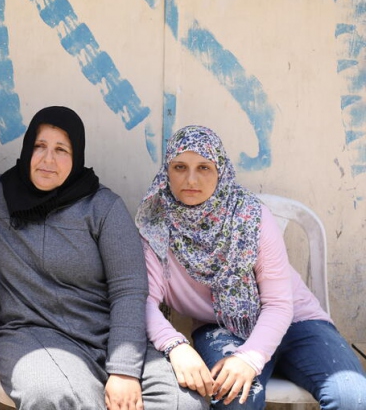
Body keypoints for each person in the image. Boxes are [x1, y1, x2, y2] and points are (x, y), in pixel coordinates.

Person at [0, 107, 207, 410]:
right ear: (28, 149)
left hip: (108, 335)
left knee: (182, 400)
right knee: (61, 397)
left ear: (77, 154)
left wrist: (123, 370)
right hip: (32, 334)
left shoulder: (103, 208)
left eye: (61, 150)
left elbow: (129, 289)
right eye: (40, 146)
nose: (48, 159)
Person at [135, 125, 366, 409]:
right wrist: (175, 345)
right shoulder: (155, 227)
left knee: (353, 397)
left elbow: (280, 304)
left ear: (221, 171)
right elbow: (141, 300)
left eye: (204, 167)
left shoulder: (250, 216)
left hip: (298, 322)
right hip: (220, 328)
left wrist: (250, 358)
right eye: (180, 166)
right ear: (166, 171)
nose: (191, 179)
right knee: (234, 401)